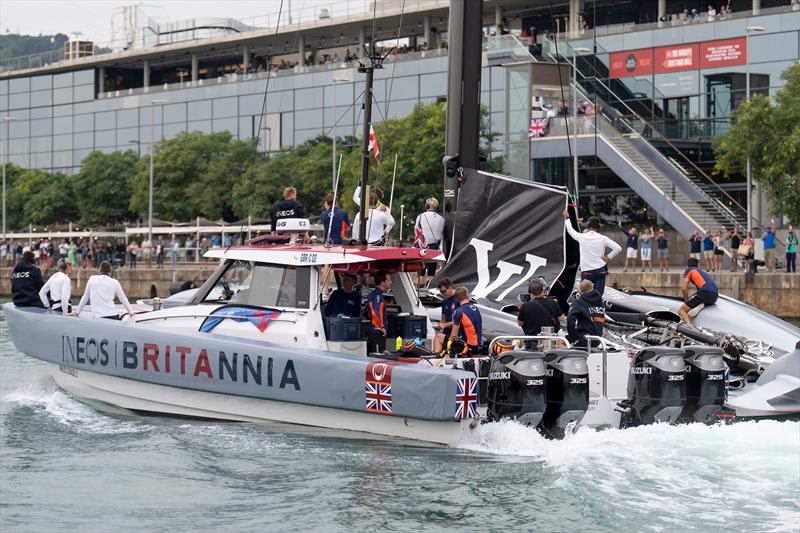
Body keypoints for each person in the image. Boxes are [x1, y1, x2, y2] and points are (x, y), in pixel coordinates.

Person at [563, 212, 621, 295]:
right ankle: (598, 307)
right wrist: (608, 257)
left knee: (586, 295)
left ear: (588, 226)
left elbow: (570, 230)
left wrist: (567, 218)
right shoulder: (602, 238)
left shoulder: (582, 237)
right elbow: (618, 248)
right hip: (600, 270)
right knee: (599, 295)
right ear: (598, 227)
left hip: (587, 271)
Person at [414, 198, 445, 287]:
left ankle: (419, 288)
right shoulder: (441, 219)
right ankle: (429, 287)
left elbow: (416, 230)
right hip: (434, 245)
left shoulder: (421, 216)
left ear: (427, 206)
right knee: (431, 270)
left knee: (420, 270)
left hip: (422, 245)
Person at [679, 258, 718, 326]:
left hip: (705, 292)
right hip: (714, 295)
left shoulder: (689, 269)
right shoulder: (701, 272)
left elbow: (684, 288)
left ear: (687, 265)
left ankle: (689, 326)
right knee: (699, 298)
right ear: (698, 265)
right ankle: (701, 304)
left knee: (682, 310)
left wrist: (686, 300)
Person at [566, 280, 605, 348]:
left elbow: (570, 320)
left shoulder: (579, 302)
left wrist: (574, 336)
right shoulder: (600, 302)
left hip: (585, 338)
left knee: (560, 342)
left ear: (580, 290)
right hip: (598, 339)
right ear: (592, 287)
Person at [450, 286, 483, 356]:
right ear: (467, 296)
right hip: (478, 346)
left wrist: (448, 347)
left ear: (457, 299)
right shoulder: (475, 308)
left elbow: (453, 335)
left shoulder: (459, 311)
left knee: (439, 338)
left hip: (468, 347)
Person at [367, 272, 392, 353]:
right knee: (378, 357)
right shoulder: (377, 296)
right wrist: (381, 327)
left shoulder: (377, 294)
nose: (391, 282)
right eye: (389, 280)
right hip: (377, 332)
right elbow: (375, 312)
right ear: (382, 282)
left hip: (377, 332)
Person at [433, 278, 458, 352]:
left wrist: (445, 325)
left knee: (437, 338)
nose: (443, 294)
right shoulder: (445, 302)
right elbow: (443, 319)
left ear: (450, 288)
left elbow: (460, 321)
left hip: (456, 335)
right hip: (446, 333)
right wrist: (439, 327)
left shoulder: (458, 300)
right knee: (437, 337)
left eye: (444, 291)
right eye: (441, 292)